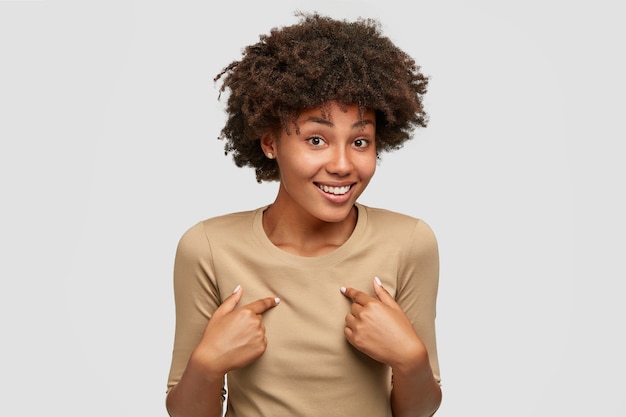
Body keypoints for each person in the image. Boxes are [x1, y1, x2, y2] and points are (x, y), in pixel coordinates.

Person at [165, 12, 442, 417]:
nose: (343, 164)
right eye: (317, 139)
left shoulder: (410, 242)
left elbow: (418, 410)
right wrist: (208, 365)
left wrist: (410, 359)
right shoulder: (208, 248)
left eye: (361, 141)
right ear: (270, 143)